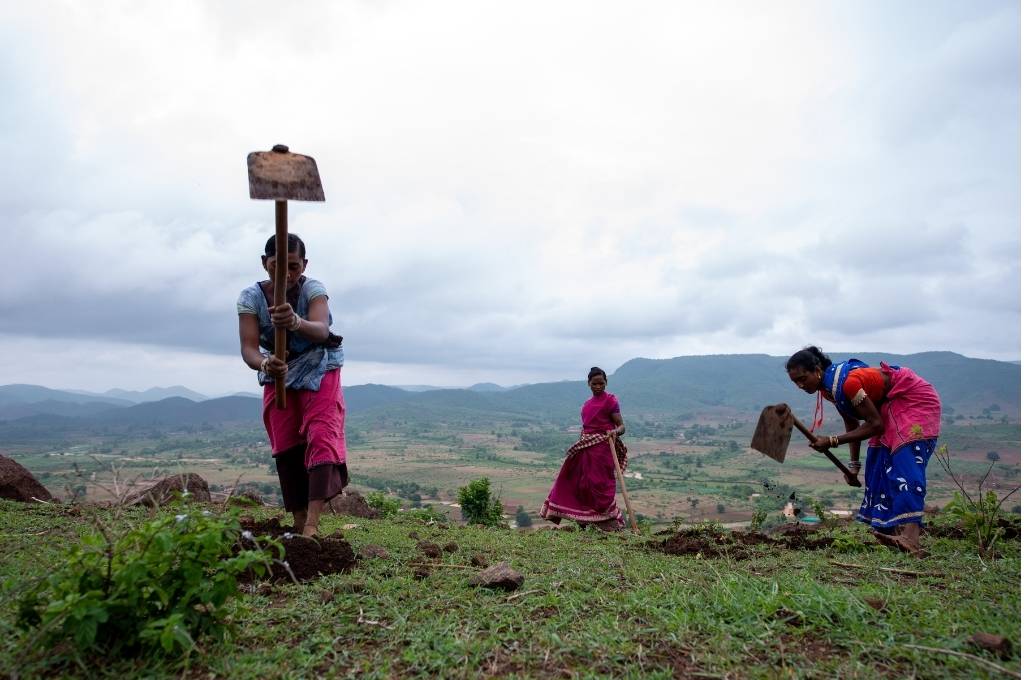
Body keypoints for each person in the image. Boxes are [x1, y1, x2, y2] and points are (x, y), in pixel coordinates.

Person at [237, 233, 347, 537]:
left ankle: (312, 523)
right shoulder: (251, 298)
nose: (285, 274)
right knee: (285, 440)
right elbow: (248, 348)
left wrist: (296, 323)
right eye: (276, 266)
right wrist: (264, 363)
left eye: (294, 267)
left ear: (304, 264)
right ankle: (298, 518)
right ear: (264, 263)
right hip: (279, 368)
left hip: (319, 365)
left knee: (321, 434)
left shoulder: (313, 289)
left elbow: (321, 328)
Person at [786, 346, 941, 554]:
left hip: (911, 399)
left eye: (803, 378)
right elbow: (852, 423)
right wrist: (854, 467)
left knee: (905, 463)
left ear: (816, 370)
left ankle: (911, 538)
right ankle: (892, 532)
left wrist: (831, 441)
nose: (800, 385)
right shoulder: (829, 390)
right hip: (888, 407)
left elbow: (875, 425)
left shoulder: (848, 383)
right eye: (795, 382)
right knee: (877, 463)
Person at [540, 367, 628, 531]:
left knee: (600, 483)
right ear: (589, 384)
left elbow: (622, 426)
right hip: (586, 448)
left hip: (603, 448)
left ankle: (607, 519)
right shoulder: (586, 405)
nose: (598, 386)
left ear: (606, 383)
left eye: (601, 383)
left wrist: (614, 432)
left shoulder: (611, 401)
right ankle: (582, 520)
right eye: (594, 383)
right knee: (579, 482)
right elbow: (586, 428)